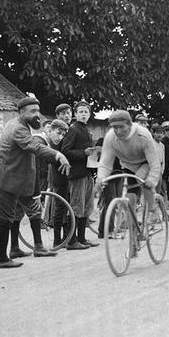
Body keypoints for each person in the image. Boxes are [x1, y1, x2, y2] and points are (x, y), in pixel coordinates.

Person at [0, 97, 70, 268]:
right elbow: (33, 146)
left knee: (14, 216)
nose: (37, 115)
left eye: (37, 111)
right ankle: (1, 258)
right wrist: (58, 155)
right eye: (32, 111)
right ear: (21, 112)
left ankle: (15, 249)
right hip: (8, 180)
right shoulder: (19, 128)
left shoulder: (18, 124)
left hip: (16, 181)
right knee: (4, 219)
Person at [96, 111, 162, 231]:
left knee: (144, 182)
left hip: (145, 162)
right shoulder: (111, 137)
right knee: (129, 195)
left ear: (130, 125)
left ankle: (152, 210)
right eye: (115, 127)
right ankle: (132, 225)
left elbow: (154, 162)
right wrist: (101, 178)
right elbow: (105, 162)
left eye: (121, 127)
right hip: (127, 165)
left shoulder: (143, 134)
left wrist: (152, 179)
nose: (118, 131)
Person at [60, 101, 99, 249]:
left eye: (86, 112)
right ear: (75, 114)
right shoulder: (73, 129)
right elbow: (65, 151)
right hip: (77, 174)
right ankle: (72, 241)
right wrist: (84, 153)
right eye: (80, 112)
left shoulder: (85, 129)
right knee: (76, 207)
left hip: (88, 172)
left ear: (89, 114)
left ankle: (82, 238)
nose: (83, 114)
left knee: (87, 206)